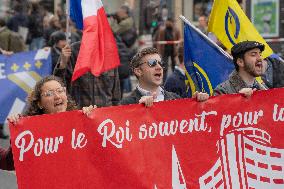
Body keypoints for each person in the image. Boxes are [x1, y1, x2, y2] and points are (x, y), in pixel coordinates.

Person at [2, 75, 95, 170]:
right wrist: (18, 134)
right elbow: (9, 163)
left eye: (60, 91)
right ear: (40, 104)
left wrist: (94, 121)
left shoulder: (81, 121)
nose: (57, 96)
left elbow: (99, 153)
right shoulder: (29, 132)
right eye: (49, 94)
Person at [121, 47, 208, 106]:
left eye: (161, 63)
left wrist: (196, 105)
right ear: (138, 71)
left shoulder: (175, 99)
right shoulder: (127, 103)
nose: (159, 67)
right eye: (152, 63)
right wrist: (137, 110)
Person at [53, 42, 121, 108]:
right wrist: (63, 63)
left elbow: (116, 94)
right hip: (79, 113)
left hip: (105, 114)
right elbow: (57, 83)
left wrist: (115, 113)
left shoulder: (110, 53)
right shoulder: (72, 51)